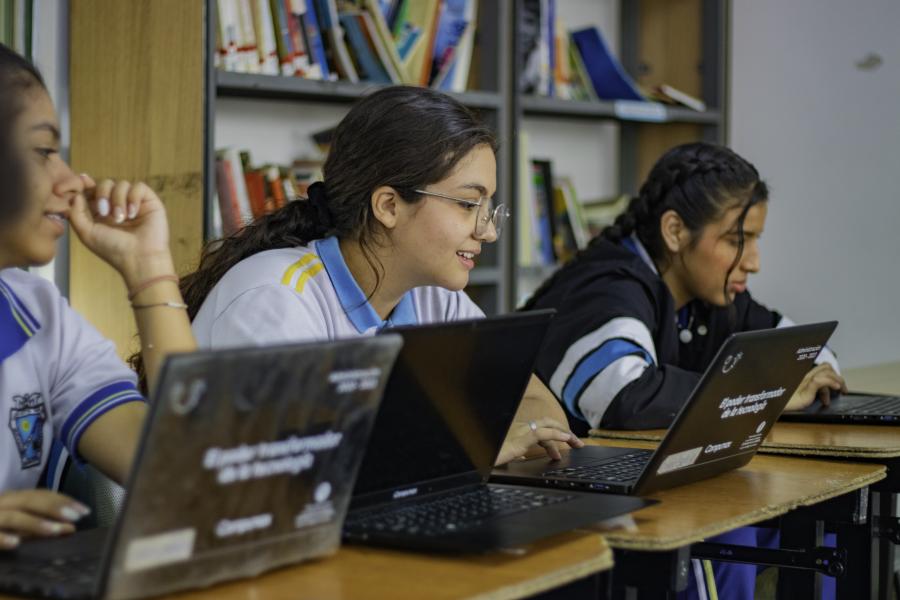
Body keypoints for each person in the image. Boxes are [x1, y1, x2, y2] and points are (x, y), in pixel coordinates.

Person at [177, 86, 582, 465]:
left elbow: (540, 408)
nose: (488, 230)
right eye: (466, 204)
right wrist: (472, 445)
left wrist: (469, 444)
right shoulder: (274, 297)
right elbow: (295, 468)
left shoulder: (435, 296)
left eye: (488, 208)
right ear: (388, 205)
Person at [524, 141, 843, 599]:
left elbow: (810, 351)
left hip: (637, 486)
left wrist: (804, 374)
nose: (752, 262)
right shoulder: (607, 286)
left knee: (816, 520)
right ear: (675, 231)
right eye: (737, 240)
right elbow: (624, 398)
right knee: (725, 533)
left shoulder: (711, 295)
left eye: (755, 240)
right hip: (561, 508)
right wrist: (771, 391)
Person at [0, 43, 195, 549]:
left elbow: (180, 474)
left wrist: (148, 269)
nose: (72, 181)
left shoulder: (39, 318)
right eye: (43, 152)